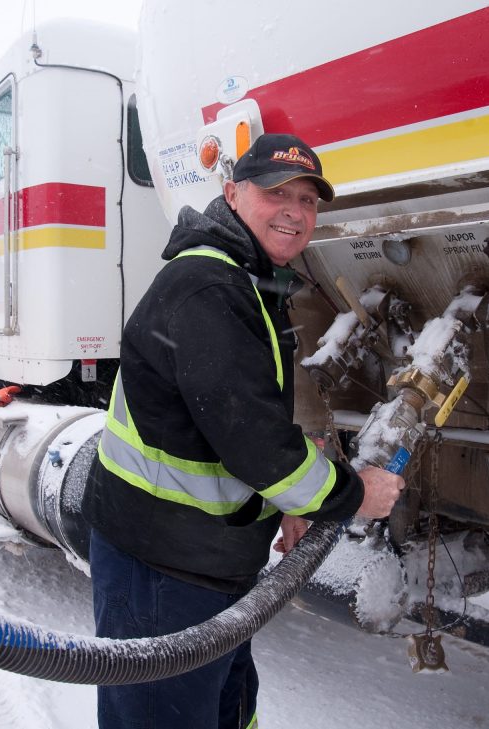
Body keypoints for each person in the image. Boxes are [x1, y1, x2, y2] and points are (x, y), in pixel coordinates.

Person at [82, 133, 405, 729]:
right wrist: (355, 496)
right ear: (232, 193)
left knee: (228, 712)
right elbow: (257, 443)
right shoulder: (210, 287)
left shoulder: (247, 278)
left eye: (308, 200)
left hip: (205, 560)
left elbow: (228, 429)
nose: (294, 211)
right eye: (276, 192)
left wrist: (282, 502)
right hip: (162, 568)